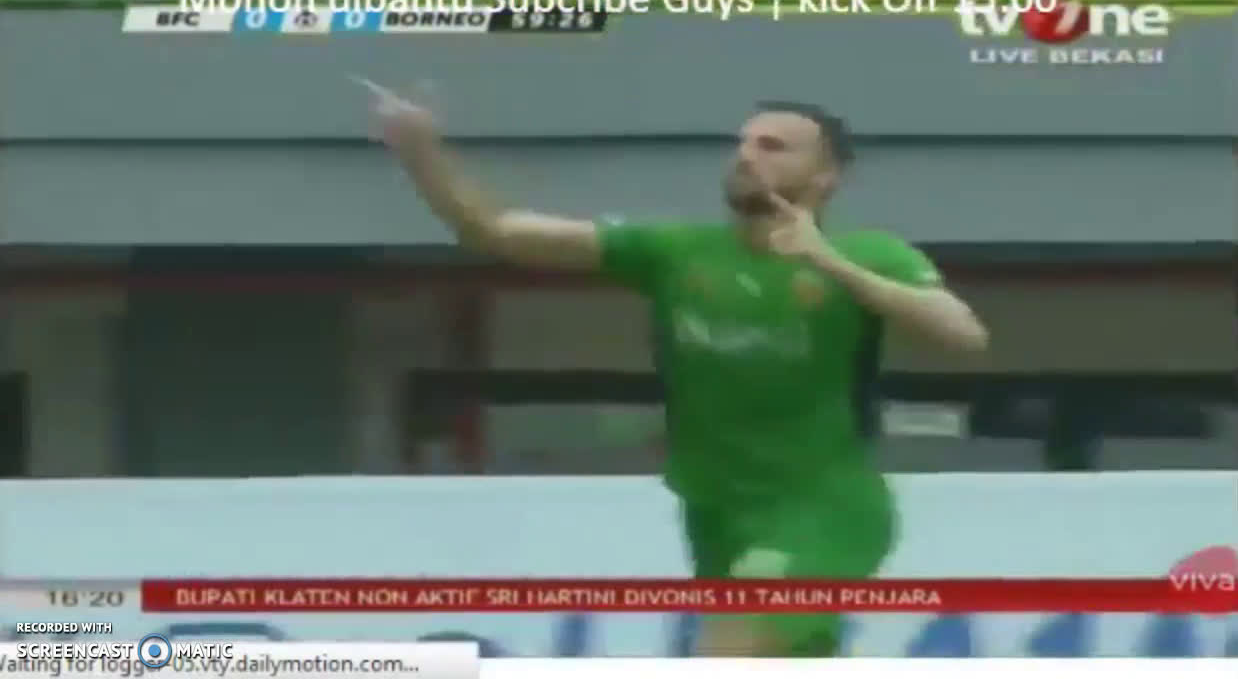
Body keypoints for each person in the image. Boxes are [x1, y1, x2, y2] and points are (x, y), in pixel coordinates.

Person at [357, 79, 989, 657]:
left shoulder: (869, 252)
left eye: (773, 147)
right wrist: (421, 153)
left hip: (825, 509)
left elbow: (964, 335)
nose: (747, 156)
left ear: (826, 177)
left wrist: (829, 262)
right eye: (743, 143)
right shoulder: (674, 252)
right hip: (714, 511)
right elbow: (494, 230)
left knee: (729, 643)